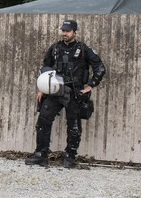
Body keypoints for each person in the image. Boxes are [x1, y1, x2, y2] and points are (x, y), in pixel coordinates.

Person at [26, 19, 106, 169]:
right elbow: (46, 68)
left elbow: (100, 68)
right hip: (54, 91)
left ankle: (70, 156)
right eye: (63, 30)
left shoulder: (84, 49)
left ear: (75, 32)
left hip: (74, 92)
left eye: (67, 31)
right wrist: (42, 88)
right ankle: (40, 155)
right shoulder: (55, 48)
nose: (64, 33)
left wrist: (91, 85)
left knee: (74, 126)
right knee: (43, 121)